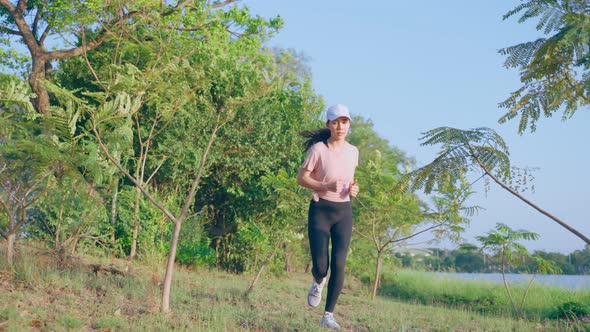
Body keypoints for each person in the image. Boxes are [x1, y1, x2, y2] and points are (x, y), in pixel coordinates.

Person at [297, 104, 359, 329]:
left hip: (343, 212)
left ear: (349, 124)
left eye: (344, 122)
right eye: (335, 122)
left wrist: (354, 189)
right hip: (320, 210)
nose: (340, 126)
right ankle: (318, 280)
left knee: (339, 264)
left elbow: (351, 181)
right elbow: (302, 178)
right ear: (328, 125)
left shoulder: (353, 152)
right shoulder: (318, 150)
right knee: (322, 266)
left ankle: (328, 315)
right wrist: (325, 184)